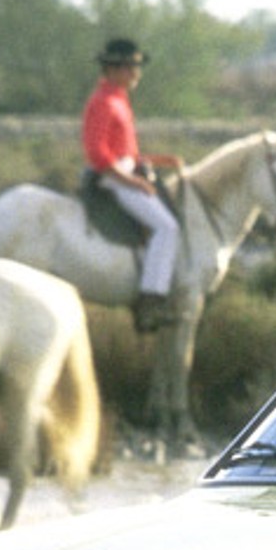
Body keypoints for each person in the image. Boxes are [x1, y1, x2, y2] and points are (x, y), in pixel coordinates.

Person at [81, 37, 182, 333]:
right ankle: (149, 304)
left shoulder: (118, 98)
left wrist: (160, 159)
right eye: (132, 67)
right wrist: (133, 182)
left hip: (122, 170)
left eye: (136, 67)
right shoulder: (103, 102)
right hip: (111, 177)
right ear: (115, 69)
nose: (137, 73)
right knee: (168, 227)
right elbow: (99, 154)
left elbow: (127, 152)